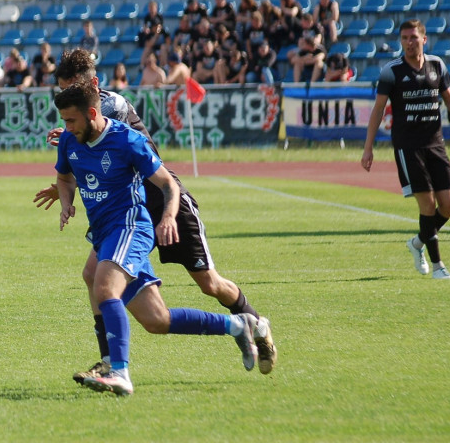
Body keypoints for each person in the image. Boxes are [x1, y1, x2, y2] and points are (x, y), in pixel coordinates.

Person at [33, 49, 275, 383]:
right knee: (124, 297)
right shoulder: (81, 122)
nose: (67, 96)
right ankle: (110, 361)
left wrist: (71, 140)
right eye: (63, 89)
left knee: (209, 284)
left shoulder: (112, 107)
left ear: (93, 85)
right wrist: (66, 184)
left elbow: (105, 139)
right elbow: (88, 160)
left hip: (163, 203)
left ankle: (255, 324)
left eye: (73, 87)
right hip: (124, 210)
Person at [361, 19, 450, 279]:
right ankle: (438, 267)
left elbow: (448, 97)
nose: (409, 43)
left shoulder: (437, 65)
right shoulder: (392, 71)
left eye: (413, 37)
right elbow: (378, 110)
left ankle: (417, 243)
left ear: (424, 39)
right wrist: (368, 148)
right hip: (408, 147)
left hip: (436, 143)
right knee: (428, 203)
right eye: (404, 38)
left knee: (449, 206)